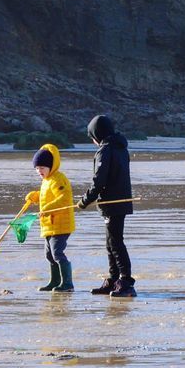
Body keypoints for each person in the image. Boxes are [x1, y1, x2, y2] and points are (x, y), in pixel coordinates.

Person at [77, 114, 136, 297]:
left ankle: (126, 282)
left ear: (96, 135)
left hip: (113, 203)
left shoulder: (106, 150)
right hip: (119, 202)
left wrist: (84, 201)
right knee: (110, 243)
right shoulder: (120, 148)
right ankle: (113, 280)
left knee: (116, 243)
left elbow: (99, 182)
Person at [27, 143, 75, 292]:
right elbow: (46, 196)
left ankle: (67, 284)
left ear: (51, 166)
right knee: (49, 255)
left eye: (42, 168)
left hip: (61, 224)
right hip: (49, 225)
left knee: (57, 253)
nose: (39, 171)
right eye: (37, 168)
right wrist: (35, 196)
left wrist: (47, 209)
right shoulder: (46, 181)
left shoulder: (58, 179)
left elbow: (64, 199)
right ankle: (55, 281)